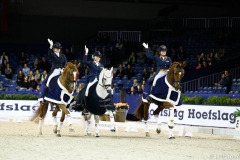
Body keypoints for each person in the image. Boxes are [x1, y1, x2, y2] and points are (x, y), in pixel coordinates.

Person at [42, 38, 67, 104]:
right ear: (54, 49)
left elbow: (65, 63)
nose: (58, 49)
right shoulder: (52, 55)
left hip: (62, 70)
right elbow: (49, 54)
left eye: (59, 48)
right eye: (56, 48)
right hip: (55, 71)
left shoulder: (63, 56)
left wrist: (63, 69)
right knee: (48, 81)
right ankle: (44, 97)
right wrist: (50, 46)